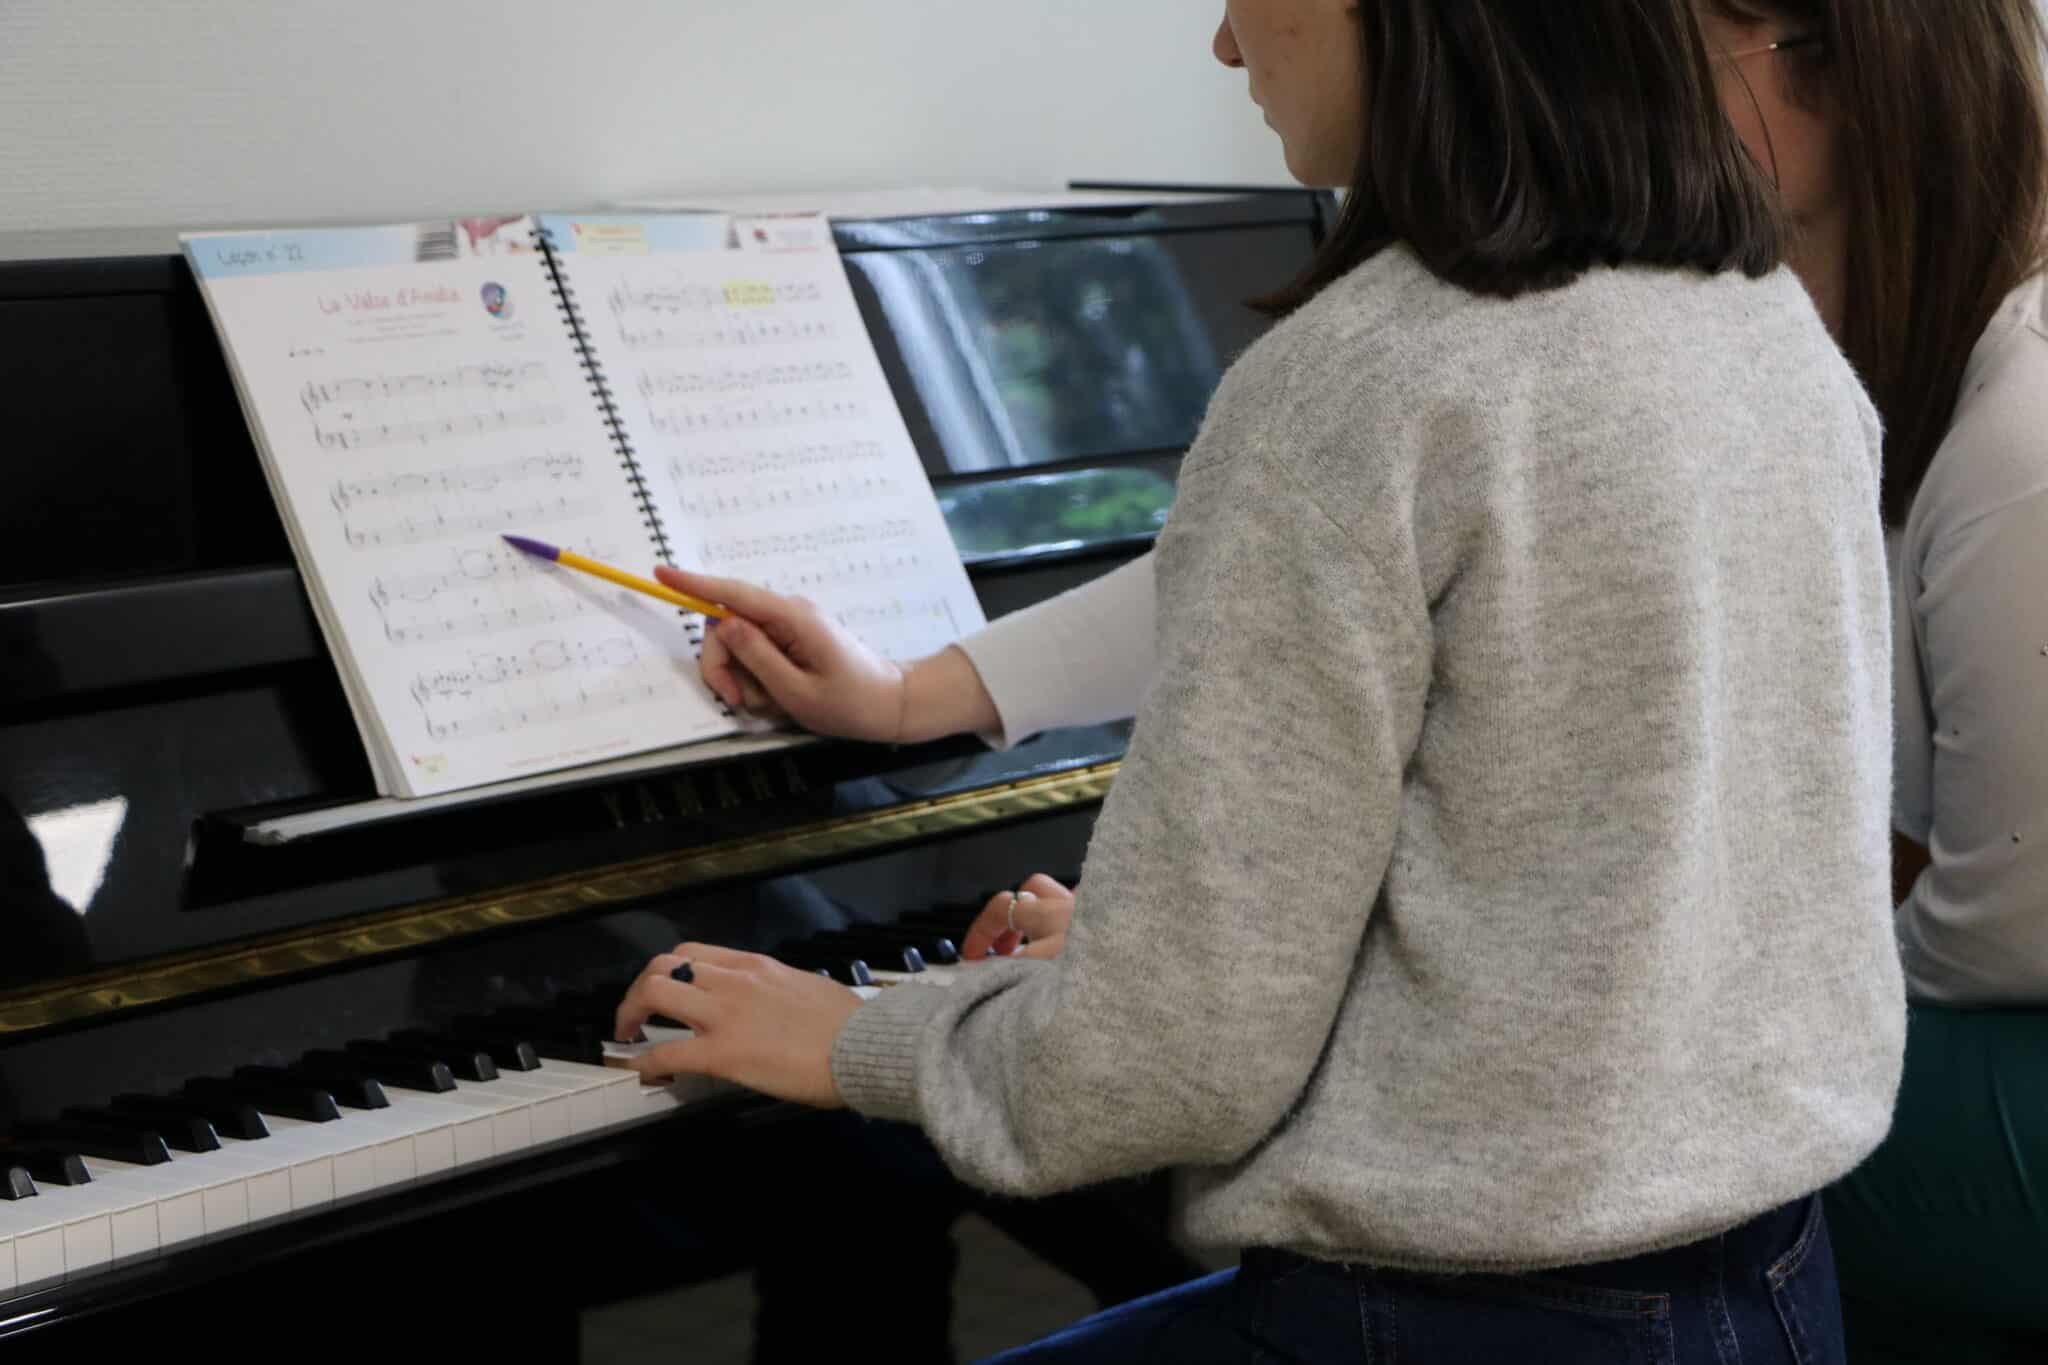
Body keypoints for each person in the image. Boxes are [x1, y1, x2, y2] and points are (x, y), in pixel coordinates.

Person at [614, 2, 1904, 1359]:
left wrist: (857, 1035)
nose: (1228, 45)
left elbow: (1169, 1068)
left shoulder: (1363, 382)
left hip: (1443, 1322)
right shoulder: (1763, 330)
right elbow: (1579, 892)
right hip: (1771, 1292)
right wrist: (955, 737)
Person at [1692, 3, 2048, 1360]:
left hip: (2023, 1033)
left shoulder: (2023, 413)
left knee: (1636, 1134)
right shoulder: (1843, 338)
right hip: (1992, 1001)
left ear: (1828, 72)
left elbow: (2000, 939)